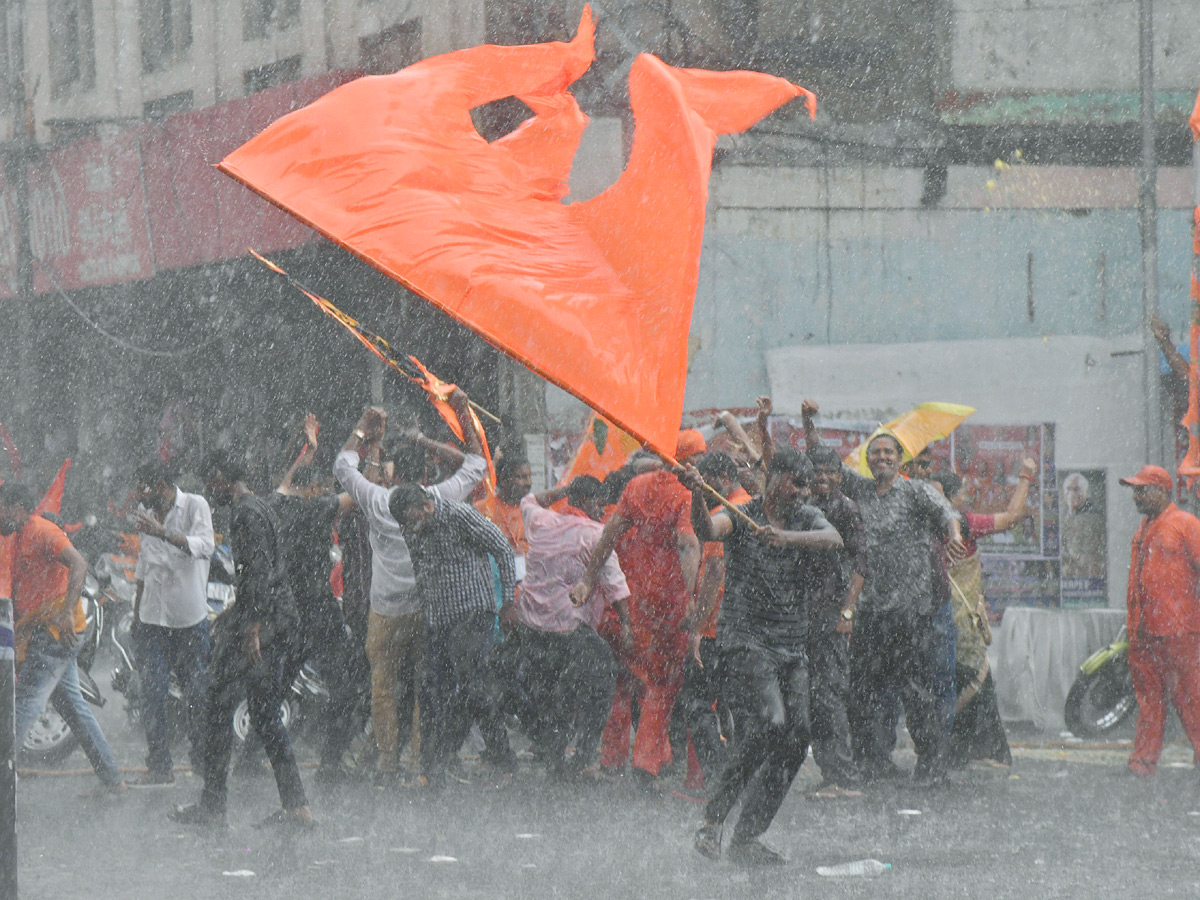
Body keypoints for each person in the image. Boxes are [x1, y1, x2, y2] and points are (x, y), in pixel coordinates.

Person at [682, 449, 842, 865]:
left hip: (791, 644)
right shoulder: (741, 513)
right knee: (771, 723)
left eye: (807, 486)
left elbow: (834, 539)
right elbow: (706, 528)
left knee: (798, 733)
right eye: (797, 483)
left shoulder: (805, 519)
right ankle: (713, 817)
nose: (804, 493)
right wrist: (698, 493)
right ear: (775, 480)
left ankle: (747, 836)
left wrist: (784, 537)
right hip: (747, 641)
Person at [802, 400, 965, 786]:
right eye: (875, 452)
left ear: (900, 458)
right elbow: (822, 461)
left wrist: (955, 537)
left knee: (917, 691)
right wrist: (809, 422)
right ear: (869, 460)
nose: (881, 457)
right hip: (870, 610)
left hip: (910, 609)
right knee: (865, 691)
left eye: (888, 452)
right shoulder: (858, 490)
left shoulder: (915, 492)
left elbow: (948, 514)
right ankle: (873, 760)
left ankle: (931, 766)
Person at [332, 394, 487, 784]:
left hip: (383, 611)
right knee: (424, 689)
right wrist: (465, 415)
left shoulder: (378, 499)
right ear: (426, 476)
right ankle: (421, 763)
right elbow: (477, 464)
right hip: (425, 611)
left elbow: (342, 465)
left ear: (395, 475)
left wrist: (362, 430)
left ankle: (387, 765)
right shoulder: (437, 499)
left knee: (382, 689)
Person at [172, 450, 312, 828]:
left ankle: (214, 806)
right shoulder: (259, 505)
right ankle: (295, 808)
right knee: (264, 714)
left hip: (265, 621)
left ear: (221, 475)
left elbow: (257, 573)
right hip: (275, 616)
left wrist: (250, 627)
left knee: (219, 703)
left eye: (209, 482)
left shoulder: (245, 513)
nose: (208, 490)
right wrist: (237, 616)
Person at [572, 431, 704, 789]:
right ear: (691, 460)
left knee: (623, 683)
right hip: (668, 604)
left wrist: (588, 578)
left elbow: (609, 535)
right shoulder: (688, 495)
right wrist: (694, 596)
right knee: (662, 685)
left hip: (630, 602)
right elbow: (688, 543)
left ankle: (613, 758)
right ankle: (646, 761)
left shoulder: (636, 486)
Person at [388, 482, 518, 791]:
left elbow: (501, 547)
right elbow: (421, 569)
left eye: (414, 518)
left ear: (428, 505)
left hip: (474, 614)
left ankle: (504, 762)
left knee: (474, 688)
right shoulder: (412, 527)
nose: (412, 528)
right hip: (438, 620)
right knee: (431, 692)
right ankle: (432, 770)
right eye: (406, 523)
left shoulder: (460, 515)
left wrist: (509, 601)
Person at [0, 483, 127, 794]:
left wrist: (68, 612)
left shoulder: (42, 529)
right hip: (41, 630)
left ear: (17, 507)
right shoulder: (17, 536)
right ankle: (114, 780)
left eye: (2, 507)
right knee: (74, 709)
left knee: (23, 705)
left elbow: (79, 563)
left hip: (54, 633)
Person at [514, 475, 628, 778]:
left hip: (532, 628)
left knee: (548, 693)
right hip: (570, 631)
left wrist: (566, 489)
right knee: (600, 681)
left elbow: (529, 499)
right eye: (599, 503)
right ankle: (585, 754)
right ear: (589, 503)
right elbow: (616, 588)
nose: (602, 510)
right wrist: (628, 627)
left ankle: (554, 757)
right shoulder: (597, 534)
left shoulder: (541, 521)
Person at [271, 414, 362, 783]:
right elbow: (357, 491)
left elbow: (284, 484)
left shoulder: (282, 506)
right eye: (321, 486)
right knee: (345, 686)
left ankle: (251, 756)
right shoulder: (315, 510)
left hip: (292, 612)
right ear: (312, 491)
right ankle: (330, 762)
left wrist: (308, 451)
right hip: (319, 612)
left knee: (275, 691)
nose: (325, 490)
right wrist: (361, 438)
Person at [931, 461, 1035, 768]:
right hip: (958, 625)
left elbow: (1012, 519)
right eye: (960, 493)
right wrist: (1026, 475)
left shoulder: (938, 524)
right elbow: (1013, 518)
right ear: (951, 499)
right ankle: (977, 751)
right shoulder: (960, 523)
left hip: (937, 624)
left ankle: (952, 752)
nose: (964, 497)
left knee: (950, 684)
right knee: (972, 682)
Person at [129, 458, 215, 787]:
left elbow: (206, 546)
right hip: (152, 620)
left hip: (188, 620)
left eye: (147, 493)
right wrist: (137, 615)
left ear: (163, 488)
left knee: (198, 692)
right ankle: (160, 766)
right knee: (151, 693)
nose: (143, 501)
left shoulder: (195, 506)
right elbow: (143, 566)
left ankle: (204, 760)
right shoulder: (144, 511)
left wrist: (163, 532)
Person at [1119, 464, 1200, 777]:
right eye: (1134, 489)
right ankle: (1142, 761)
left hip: (1179, 630)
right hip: (1143, 630)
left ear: (1162, 491)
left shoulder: (1185, 524)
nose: (1136, 495)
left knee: (1190, 698)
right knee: (1149, 698)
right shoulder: (1144, 528)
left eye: (1142, 489)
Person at [676, 450, 749, 791]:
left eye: (703, 486)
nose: (700, 494)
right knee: (737, 706)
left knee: (698, 703)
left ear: (720, 479)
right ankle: (743, 777)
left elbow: (715, 573)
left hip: (718, 630)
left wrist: (696, 630)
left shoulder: (726, 514)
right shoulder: (753, 504)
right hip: (747, 628)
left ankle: (721, 781)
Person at [801, 444, 867, 798]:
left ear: (841, 477)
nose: (822, 477)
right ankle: (832, 774)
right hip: (807, 613)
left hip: (832, 612)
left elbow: (860, 563)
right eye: (817, 471)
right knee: (815, 696)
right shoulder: (807, 507)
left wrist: (848, 611)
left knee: (829, 694)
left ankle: (845, 777)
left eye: (829, 471)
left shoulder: (846, 508)